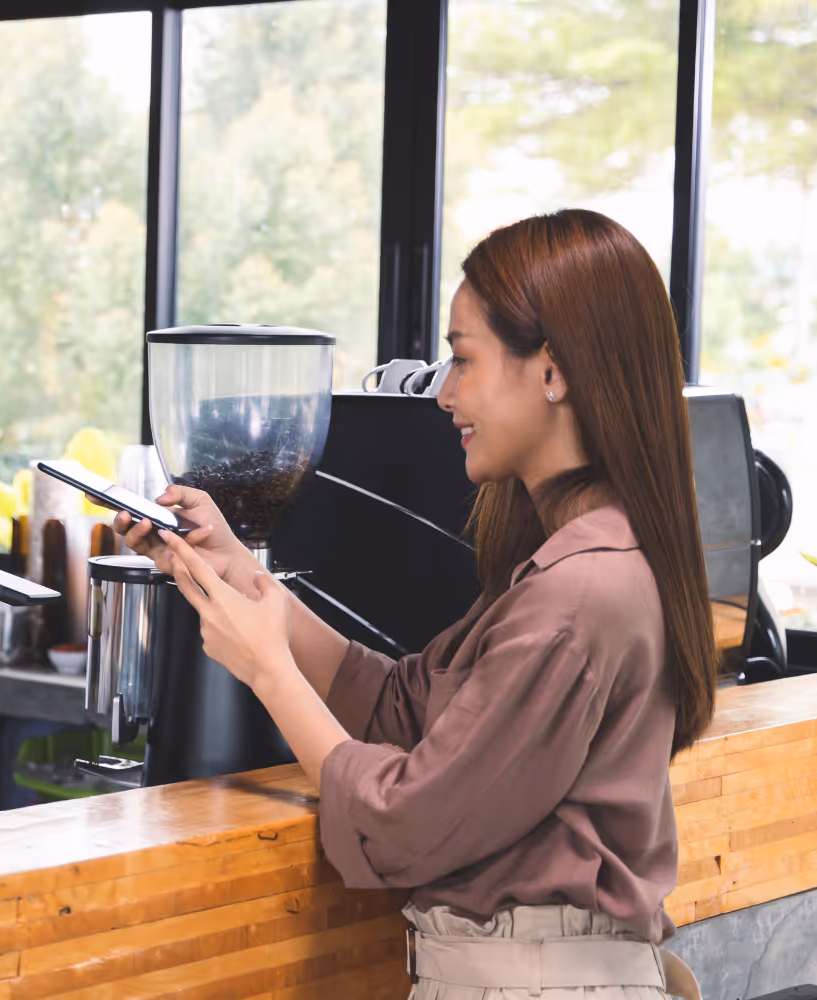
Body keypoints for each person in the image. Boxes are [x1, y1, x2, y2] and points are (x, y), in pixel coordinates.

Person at [115, 210, 713, 998]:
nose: (445, 394)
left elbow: (408, 823)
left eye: (463, 361)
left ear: (552, 371)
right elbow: (402, 706)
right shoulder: (575, 562)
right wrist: (240, 572)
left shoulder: (576, 595)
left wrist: (267, 668)